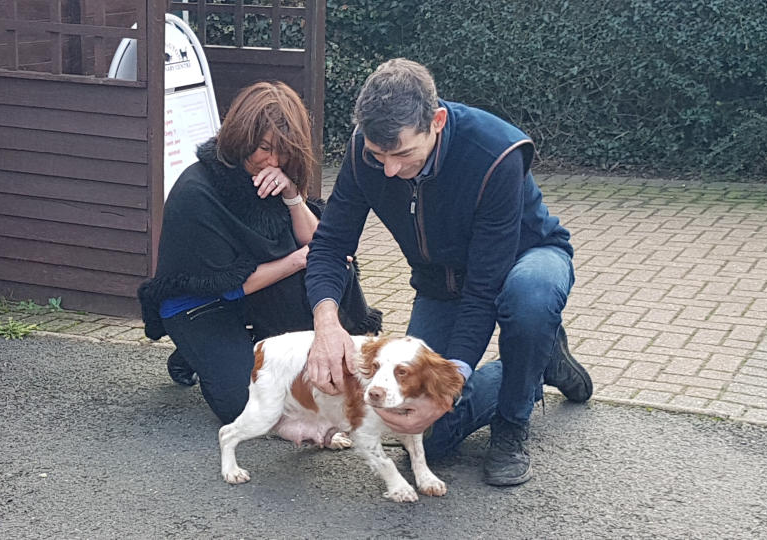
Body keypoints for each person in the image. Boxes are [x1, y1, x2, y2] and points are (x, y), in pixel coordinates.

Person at [304, 59, 593, 486]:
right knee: (422, 433)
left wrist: (451, 380)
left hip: (525, 260)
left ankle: (512, 425)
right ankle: (539, 359)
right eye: (377, 154)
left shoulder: (496, 154)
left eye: (402, 154)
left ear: (436, 121)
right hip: (440, 283)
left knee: (528, 300)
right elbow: (330, 244)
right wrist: (325, 322)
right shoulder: (362, 152)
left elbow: (483, 288)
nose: (388, 169)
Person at [137, 81, 381, 425]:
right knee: (243, 405)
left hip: (254, 290)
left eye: (283, 150)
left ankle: (234, 346)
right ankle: (196, 353)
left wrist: (294, 196)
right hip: (199, 303)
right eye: (264, 148)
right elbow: (227, 285)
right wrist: (298, 259)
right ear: (241, 137)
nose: (273, 160)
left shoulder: (277, 175)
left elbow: (322, 245)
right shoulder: (198, 191)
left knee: (333, 269)